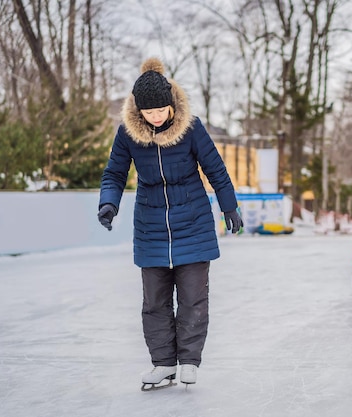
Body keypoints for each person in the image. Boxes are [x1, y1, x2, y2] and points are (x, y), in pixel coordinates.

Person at [97, 57, 243, 391]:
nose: (157, 116)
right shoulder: (127, 134)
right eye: (150, 112)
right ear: (139, 111)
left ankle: (189, 360)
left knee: (193, 297)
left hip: (193, 221)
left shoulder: (191, 127)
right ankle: (163, 363)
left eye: (162, 110)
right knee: (154, 302)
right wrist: (109, 202)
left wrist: (229, 206)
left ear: (171, 104)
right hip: (150, 225)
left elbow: (215, 168)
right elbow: (115, 172)